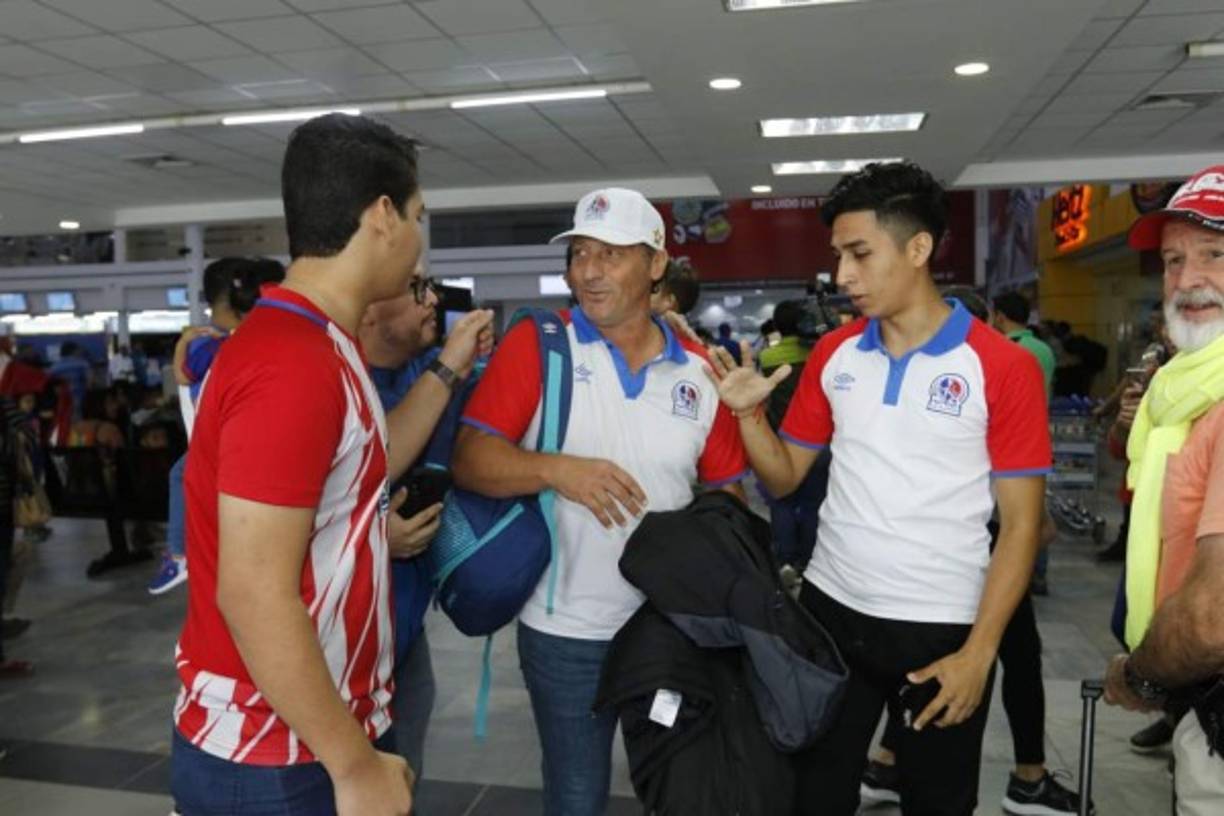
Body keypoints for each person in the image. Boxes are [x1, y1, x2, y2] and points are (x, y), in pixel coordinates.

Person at [705, 161, 1051, 816]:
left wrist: (980, 654)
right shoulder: (834, 355)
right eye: (838, 255)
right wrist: (749, 416)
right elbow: (784, 477)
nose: (843, 275)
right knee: (812, 798)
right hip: (832, 611)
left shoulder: (1001, 366)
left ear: (918, 248)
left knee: (938, 804)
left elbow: (1022, 526)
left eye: (859, 254)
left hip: (942, 626)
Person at [170, 113, 443, 816]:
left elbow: (348, 481)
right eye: (417, 216)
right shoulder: (292, 364)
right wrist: (353, 766)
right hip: (278, 754)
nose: (418, 240)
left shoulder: (318, 342)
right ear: (382, 215)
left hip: (308, 734)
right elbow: (253, 592)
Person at [451, 186, 749, 816]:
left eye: (611, 254)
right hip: (566, 631)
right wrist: (556, 469)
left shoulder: (699, 374)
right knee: (576, 795)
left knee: (681, 789)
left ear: (656, 264)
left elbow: (727, 493)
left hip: (669, 629)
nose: (589, 270)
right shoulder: (541, 347)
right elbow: (471, 460)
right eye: (580, 253)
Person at [858, 287, 1085, 815]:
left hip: (971, 542)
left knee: (939, 663)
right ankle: (1028, 776)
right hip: (979, 544)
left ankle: (888, 761)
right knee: (1010, 658)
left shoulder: (991, 365)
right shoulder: (991, 365)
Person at [1101, 164, 1224, 814]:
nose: (1188, 278)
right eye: (1175, 260)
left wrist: (1141, 674)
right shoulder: (1186, 386)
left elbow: (1212, 618)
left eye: (1215, 254)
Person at [358, 268, 493, 791]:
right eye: (417, 290)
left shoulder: (425, 371)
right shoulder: (335, 384)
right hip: (343, 641)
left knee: (401, 776)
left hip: (404, 630)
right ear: (370, 308)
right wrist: (372, 538)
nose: (432, 300)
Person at [147, 257, 285, 595]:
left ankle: (178, 554)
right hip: (263, 448)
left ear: (213, 300)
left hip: (218, 448)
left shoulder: (205, 345)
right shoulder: (272, 339)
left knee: (181, 475)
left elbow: (182, 376)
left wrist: (182, 343)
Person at [758, 300, 828, 574]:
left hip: (779, 440)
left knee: (781, 501)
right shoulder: (818, 353)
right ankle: (809, 560)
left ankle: (785, 560)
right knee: (814, 503)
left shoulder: (767, 357)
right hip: (819, 441)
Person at [50, 341, 91, 416]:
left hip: (60, 399)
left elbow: (51, 384)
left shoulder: (53, 367)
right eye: (78, 350)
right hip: (78, 397)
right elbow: (90, 381)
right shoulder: (82, 363)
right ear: (74, 351)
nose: (80, 352)